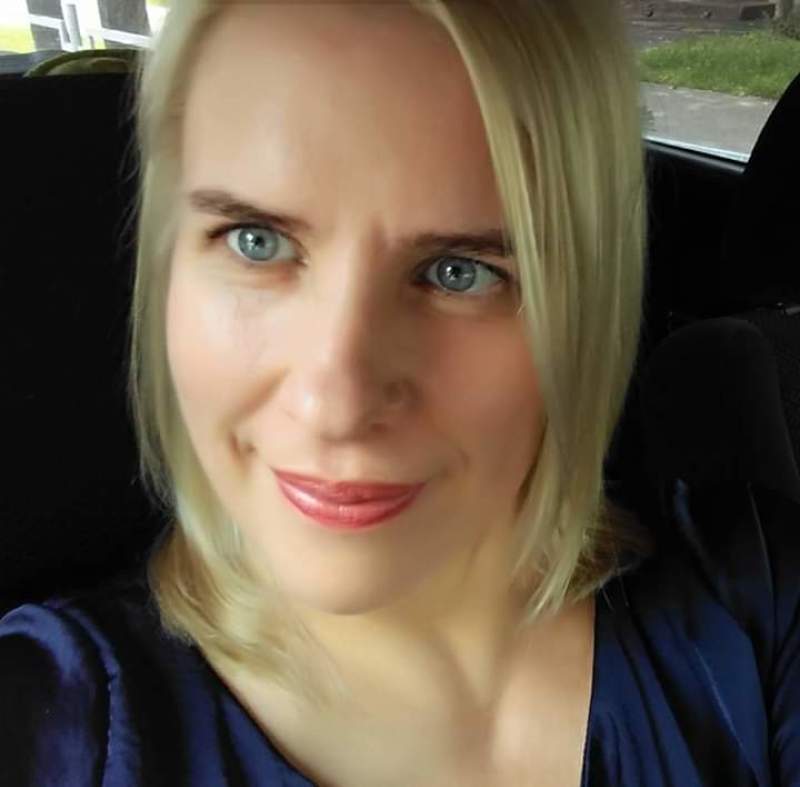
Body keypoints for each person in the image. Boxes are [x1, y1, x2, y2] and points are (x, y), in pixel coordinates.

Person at [1, 1, 798, 785]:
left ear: (582, 309)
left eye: (459, 272)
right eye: (257, 241)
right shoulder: (52, 722)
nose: (336, 404)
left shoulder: (755, 611)